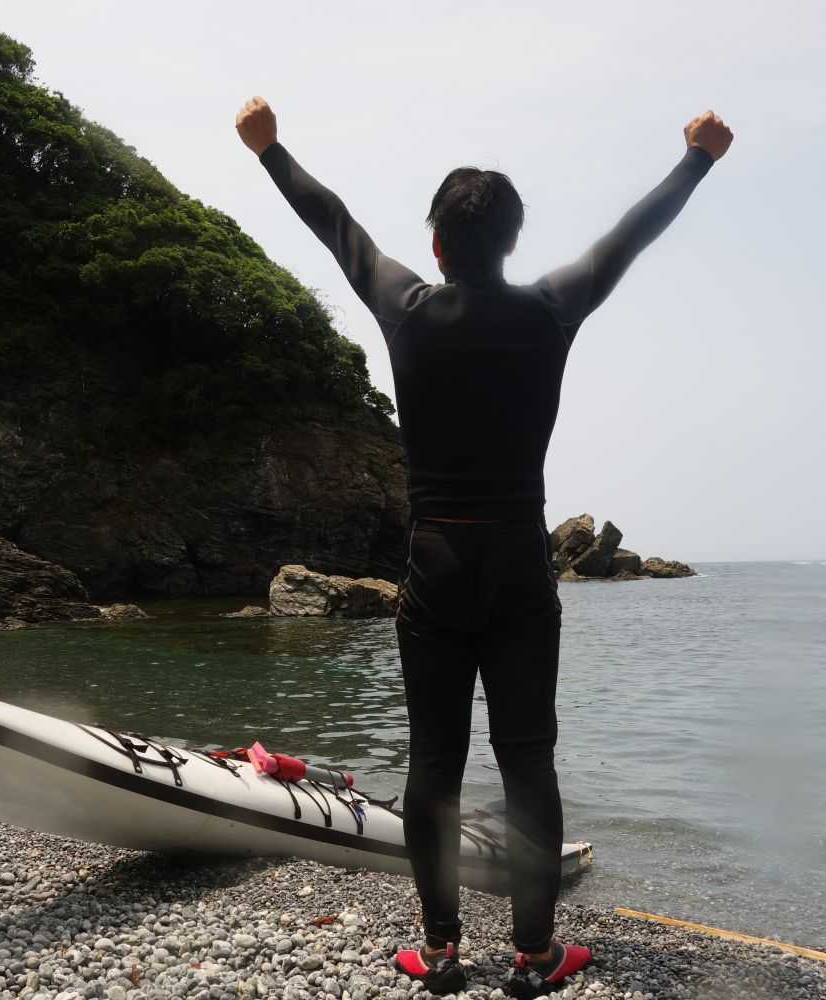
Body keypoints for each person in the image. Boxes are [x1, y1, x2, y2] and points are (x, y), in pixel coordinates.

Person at [236, 95, 732, 996]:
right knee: (528, 759)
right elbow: (627, 238)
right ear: (510, 242)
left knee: (434, 762)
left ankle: (440, 951)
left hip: (436, 565)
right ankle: (536, 956)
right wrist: (696, 159)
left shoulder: (406, 307)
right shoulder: (548, 310)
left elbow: (337, 226)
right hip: (517, 566)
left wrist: (270, 149)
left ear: (436, 244)